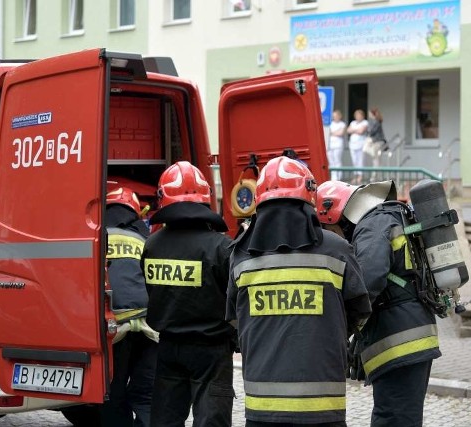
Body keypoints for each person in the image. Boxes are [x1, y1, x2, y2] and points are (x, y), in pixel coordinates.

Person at [227, 156, 371, 426]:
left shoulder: (241, 254)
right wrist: (327, 329)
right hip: (323, 404)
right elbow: (360, 311)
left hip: (262, 406)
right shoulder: (337, 249)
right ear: (309, 198)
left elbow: (235, 320)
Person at [316, 180, 441, 427]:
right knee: (399, 417)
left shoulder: (373, 225)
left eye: (327, 228)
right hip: (408, 337)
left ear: (336, 216)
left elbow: (367, 281)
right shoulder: (385, 218)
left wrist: (343, 327)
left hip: (402, 342)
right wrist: (359, 342)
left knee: (393, 419)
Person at [141, 161, 235, 427]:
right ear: (205, 199)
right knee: (211, 420)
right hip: (212, 350)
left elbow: (152, 292)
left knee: (165, 419)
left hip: (168, 346)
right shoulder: (221, 246)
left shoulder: (152, 245)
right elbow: (234, 298)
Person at [103, 186, 157, 427]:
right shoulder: (144, 238)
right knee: (146, 394)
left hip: (115, 328)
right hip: (148, 326)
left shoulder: (97, 235)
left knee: (113, 393)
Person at [346, 110, 368, 185]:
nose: (358, 117)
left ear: (362, 116)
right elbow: (348, 130)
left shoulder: (365, 122)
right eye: (357, 115)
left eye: (359, 115)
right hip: (353, 144)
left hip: (361, 144)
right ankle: (355, 175)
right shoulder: (353, 123)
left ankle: (360, 176)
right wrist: (356, 130)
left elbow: (361, 131)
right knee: (354, 160)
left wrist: (353, 130)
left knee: (360, 160)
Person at [365, 108, 386, 181]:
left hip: (377, 143)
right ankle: (378, 177)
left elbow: (371, 132)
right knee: (377, 160)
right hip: (378, 142)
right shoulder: (377, 121)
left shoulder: (375, 122)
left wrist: (367, 129)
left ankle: (374, 177)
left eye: (369, 113)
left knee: (376, 160)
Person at [328, 110, 347, 181]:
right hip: (330, 145)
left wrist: (332, 133)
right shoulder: (330, 123)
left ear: (339, 116)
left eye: (336, 116)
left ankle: (338, 177)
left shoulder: (342, 124)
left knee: (337, 160)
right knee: (331, 162)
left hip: (338, 144)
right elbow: (327, 132)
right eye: (333, 116)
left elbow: (340, 133)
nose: (334, 117)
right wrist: (334, 132)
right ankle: (333, 177)